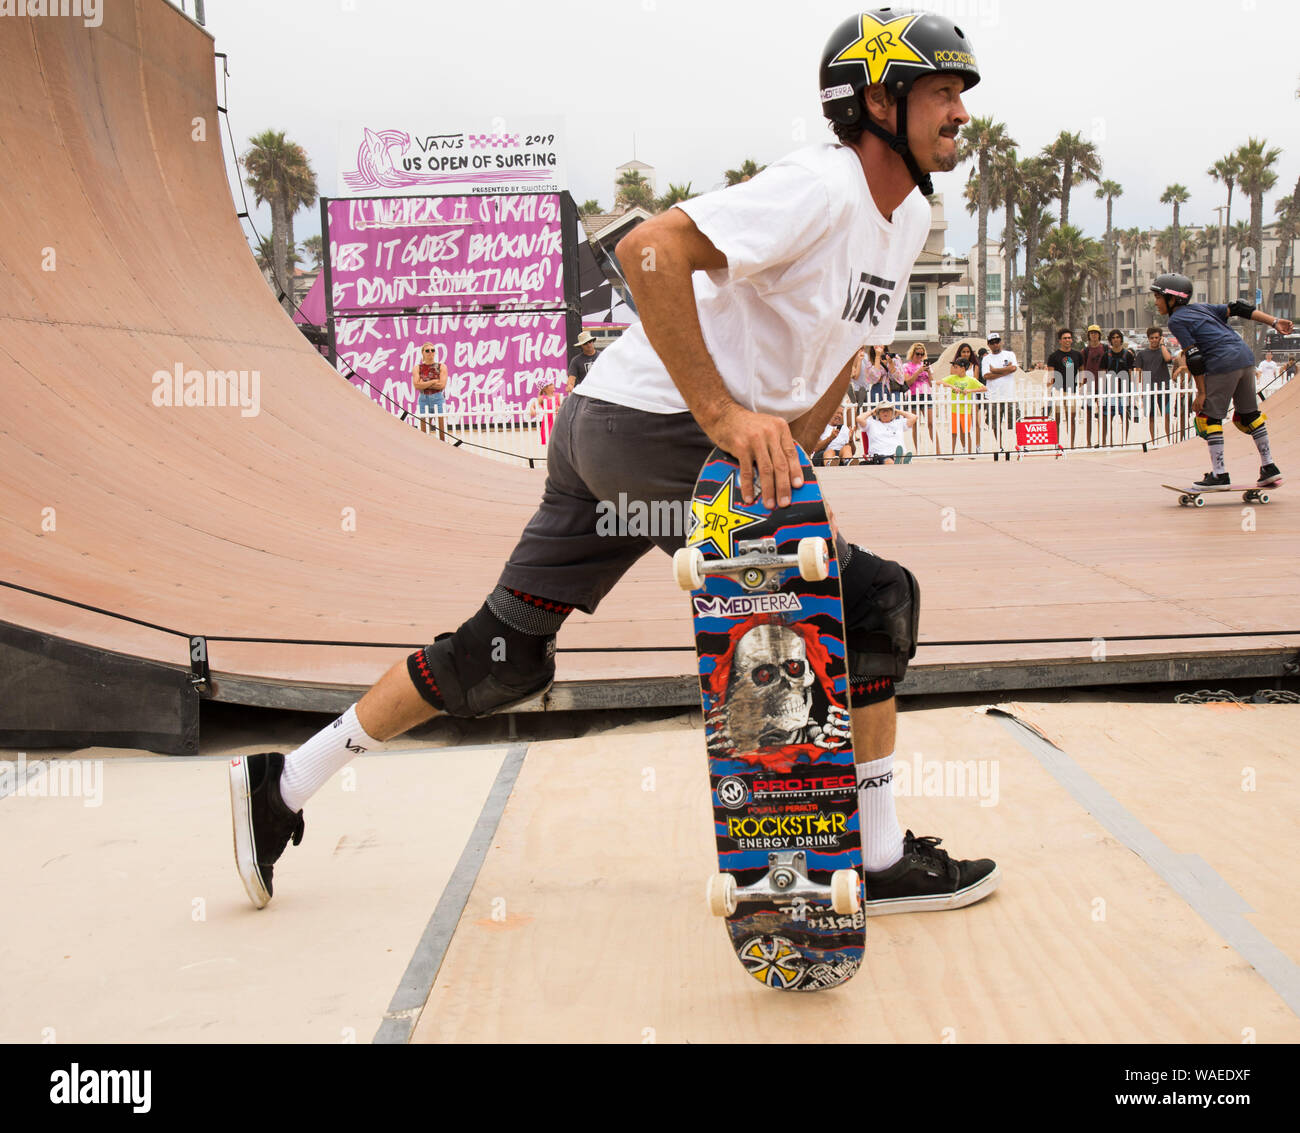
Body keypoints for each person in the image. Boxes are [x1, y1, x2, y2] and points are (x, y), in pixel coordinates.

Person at [228, 8, 999, 918]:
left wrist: (797, 459)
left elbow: (829, 362)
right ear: (879, 101)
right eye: (942, 92)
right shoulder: (822, 188)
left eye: (961, 94)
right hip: (658, 431)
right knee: (869, 599)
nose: (960, 112)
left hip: (604, 432)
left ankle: (280, 786)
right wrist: (721, 412)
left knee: (499, 656)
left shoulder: (903, 222)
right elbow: (649, 248)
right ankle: (872, 857)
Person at [1148, 272, 1292, 487]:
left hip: (1222, 363)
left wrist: (1202, 392)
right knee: (1249, 416)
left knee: (1209, 419)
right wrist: (1275, 321)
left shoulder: (1177, 320)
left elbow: (1194, 357)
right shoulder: (1202, 307)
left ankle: (1219, 474)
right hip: (1244, 358)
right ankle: (1269, 466)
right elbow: (1239, 307)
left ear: (1172, 299)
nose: (1155, 302)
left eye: (1158, 297)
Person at [1041, 328, 1083, 447]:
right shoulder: (1054, 356)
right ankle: (1057, 444)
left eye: (1069, 338)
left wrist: (1079, 384)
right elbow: (1051, 374)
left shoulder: (1077, 355)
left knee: (1072, 418)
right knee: (1057, 419)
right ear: (1060, 340)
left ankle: (1071, 444)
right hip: (1058, 390)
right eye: (1065, 338)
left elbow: (1082, 371)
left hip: (1072, 391)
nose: (1067, 340)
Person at [1134, 326, 1176, 441]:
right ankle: (1154, 441)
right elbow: (1138, 373)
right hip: (1149, 389)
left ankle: (1170, 441)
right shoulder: (1142, 354)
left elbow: (1168, 359)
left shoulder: (1164, 351)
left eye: (1157, 338)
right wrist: (1140, 390)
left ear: (1160, 338)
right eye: (1152, 338)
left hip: (1164, 388)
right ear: (1148, 339)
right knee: (1151, 418)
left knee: (1167, 416)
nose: (1154, 340)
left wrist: (1162, 345)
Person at [941, 349, 986, 453]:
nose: (954, 369)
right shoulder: (952, 378)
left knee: (966, 432)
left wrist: (970, 390)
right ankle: (952, 453)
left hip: (965, 410)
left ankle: (970, 452)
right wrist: (951, 386)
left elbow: (984, 388)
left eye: (956, 367)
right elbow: (939, 382)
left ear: (962, 368)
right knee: (954, 432)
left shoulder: (970, 380)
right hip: (954, 410)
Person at [1098, 329, 1137, 446]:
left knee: (1124, 417)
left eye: (1118, 337)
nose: (1116, 339)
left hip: (1124, 391)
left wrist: (1131, 392)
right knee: (1106, 418)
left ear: (1121, 339)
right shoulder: (1106, 355)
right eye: (1113, 337)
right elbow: (1102, 374)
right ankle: (1105, 442)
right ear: (1110, 340)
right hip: (1109, 392)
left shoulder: (1128, 355)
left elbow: (1131, 374)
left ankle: (1123, 441)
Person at [980, 332, 1017, 449]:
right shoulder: (986, 359)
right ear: (988, 345)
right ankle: (1000, 445)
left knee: (1016, 421)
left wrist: (995, 370)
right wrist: (1006, 371)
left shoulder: (1009, 354)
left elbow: (1014, 368)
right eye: (992, 343)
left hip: (1009, 394)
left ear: (1000, 342)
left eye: (997, 342)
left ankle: (1018, 443)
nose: (995, 345)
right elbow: (986, 375)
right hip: (994, 396)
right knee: (995, 423)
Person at [901, 341, 934, 450]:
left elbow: (931, 383)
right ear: (912, 354)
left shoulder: (926, 365)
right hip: (913, 395)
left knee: (931, 423)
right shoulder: (906, 366)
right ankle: (918, 449)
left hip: (926, 394)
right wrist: (919, 371)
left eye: (922, 354)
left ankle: (937, 448)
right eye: (917, 354)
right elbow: (908, 382)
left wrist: (928, 372)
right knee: (915, 424)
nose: (920, 356)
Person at [412, 342, 448, 440]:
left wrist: (424, 383)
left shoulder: (441, 366)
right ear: (423, 353)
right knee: (424, 431)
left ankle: (444, 449)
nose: (430, 352)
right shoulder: (417, 368)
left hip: (438, 398)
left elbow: (442, 385)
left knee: (442, 430)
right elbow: (416, 385)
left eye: (433, 350)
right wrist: (433, 381)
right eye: (427, 350)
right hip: (423, 399)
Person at [1077, 323, 1106, 446]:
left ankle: (1103, 441)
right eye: (1092, 333)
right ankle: (1089, 441)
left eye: (1096, 333)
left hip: (1102, 385)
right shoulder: (1085, 351)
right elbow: (1081, 368)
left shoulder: (1105, 349)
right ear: (1088, 335)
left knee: (1103, 414)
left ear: (1099, 335)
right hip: (1089, 386)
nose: (1094, 335)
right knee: (1088, 415)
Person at [525, 379, 564, 447]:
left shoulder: (558, 395)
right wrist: (532, 410)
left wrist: (559, 407)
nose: (553, 385)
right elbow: (532, 406)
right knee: (549, 441)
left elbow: (564, 406)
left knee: (559, 440)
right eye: (551, 384)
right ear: (545, 388)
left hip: (557, 421)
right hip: (547, 422)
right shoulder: (542, 398)